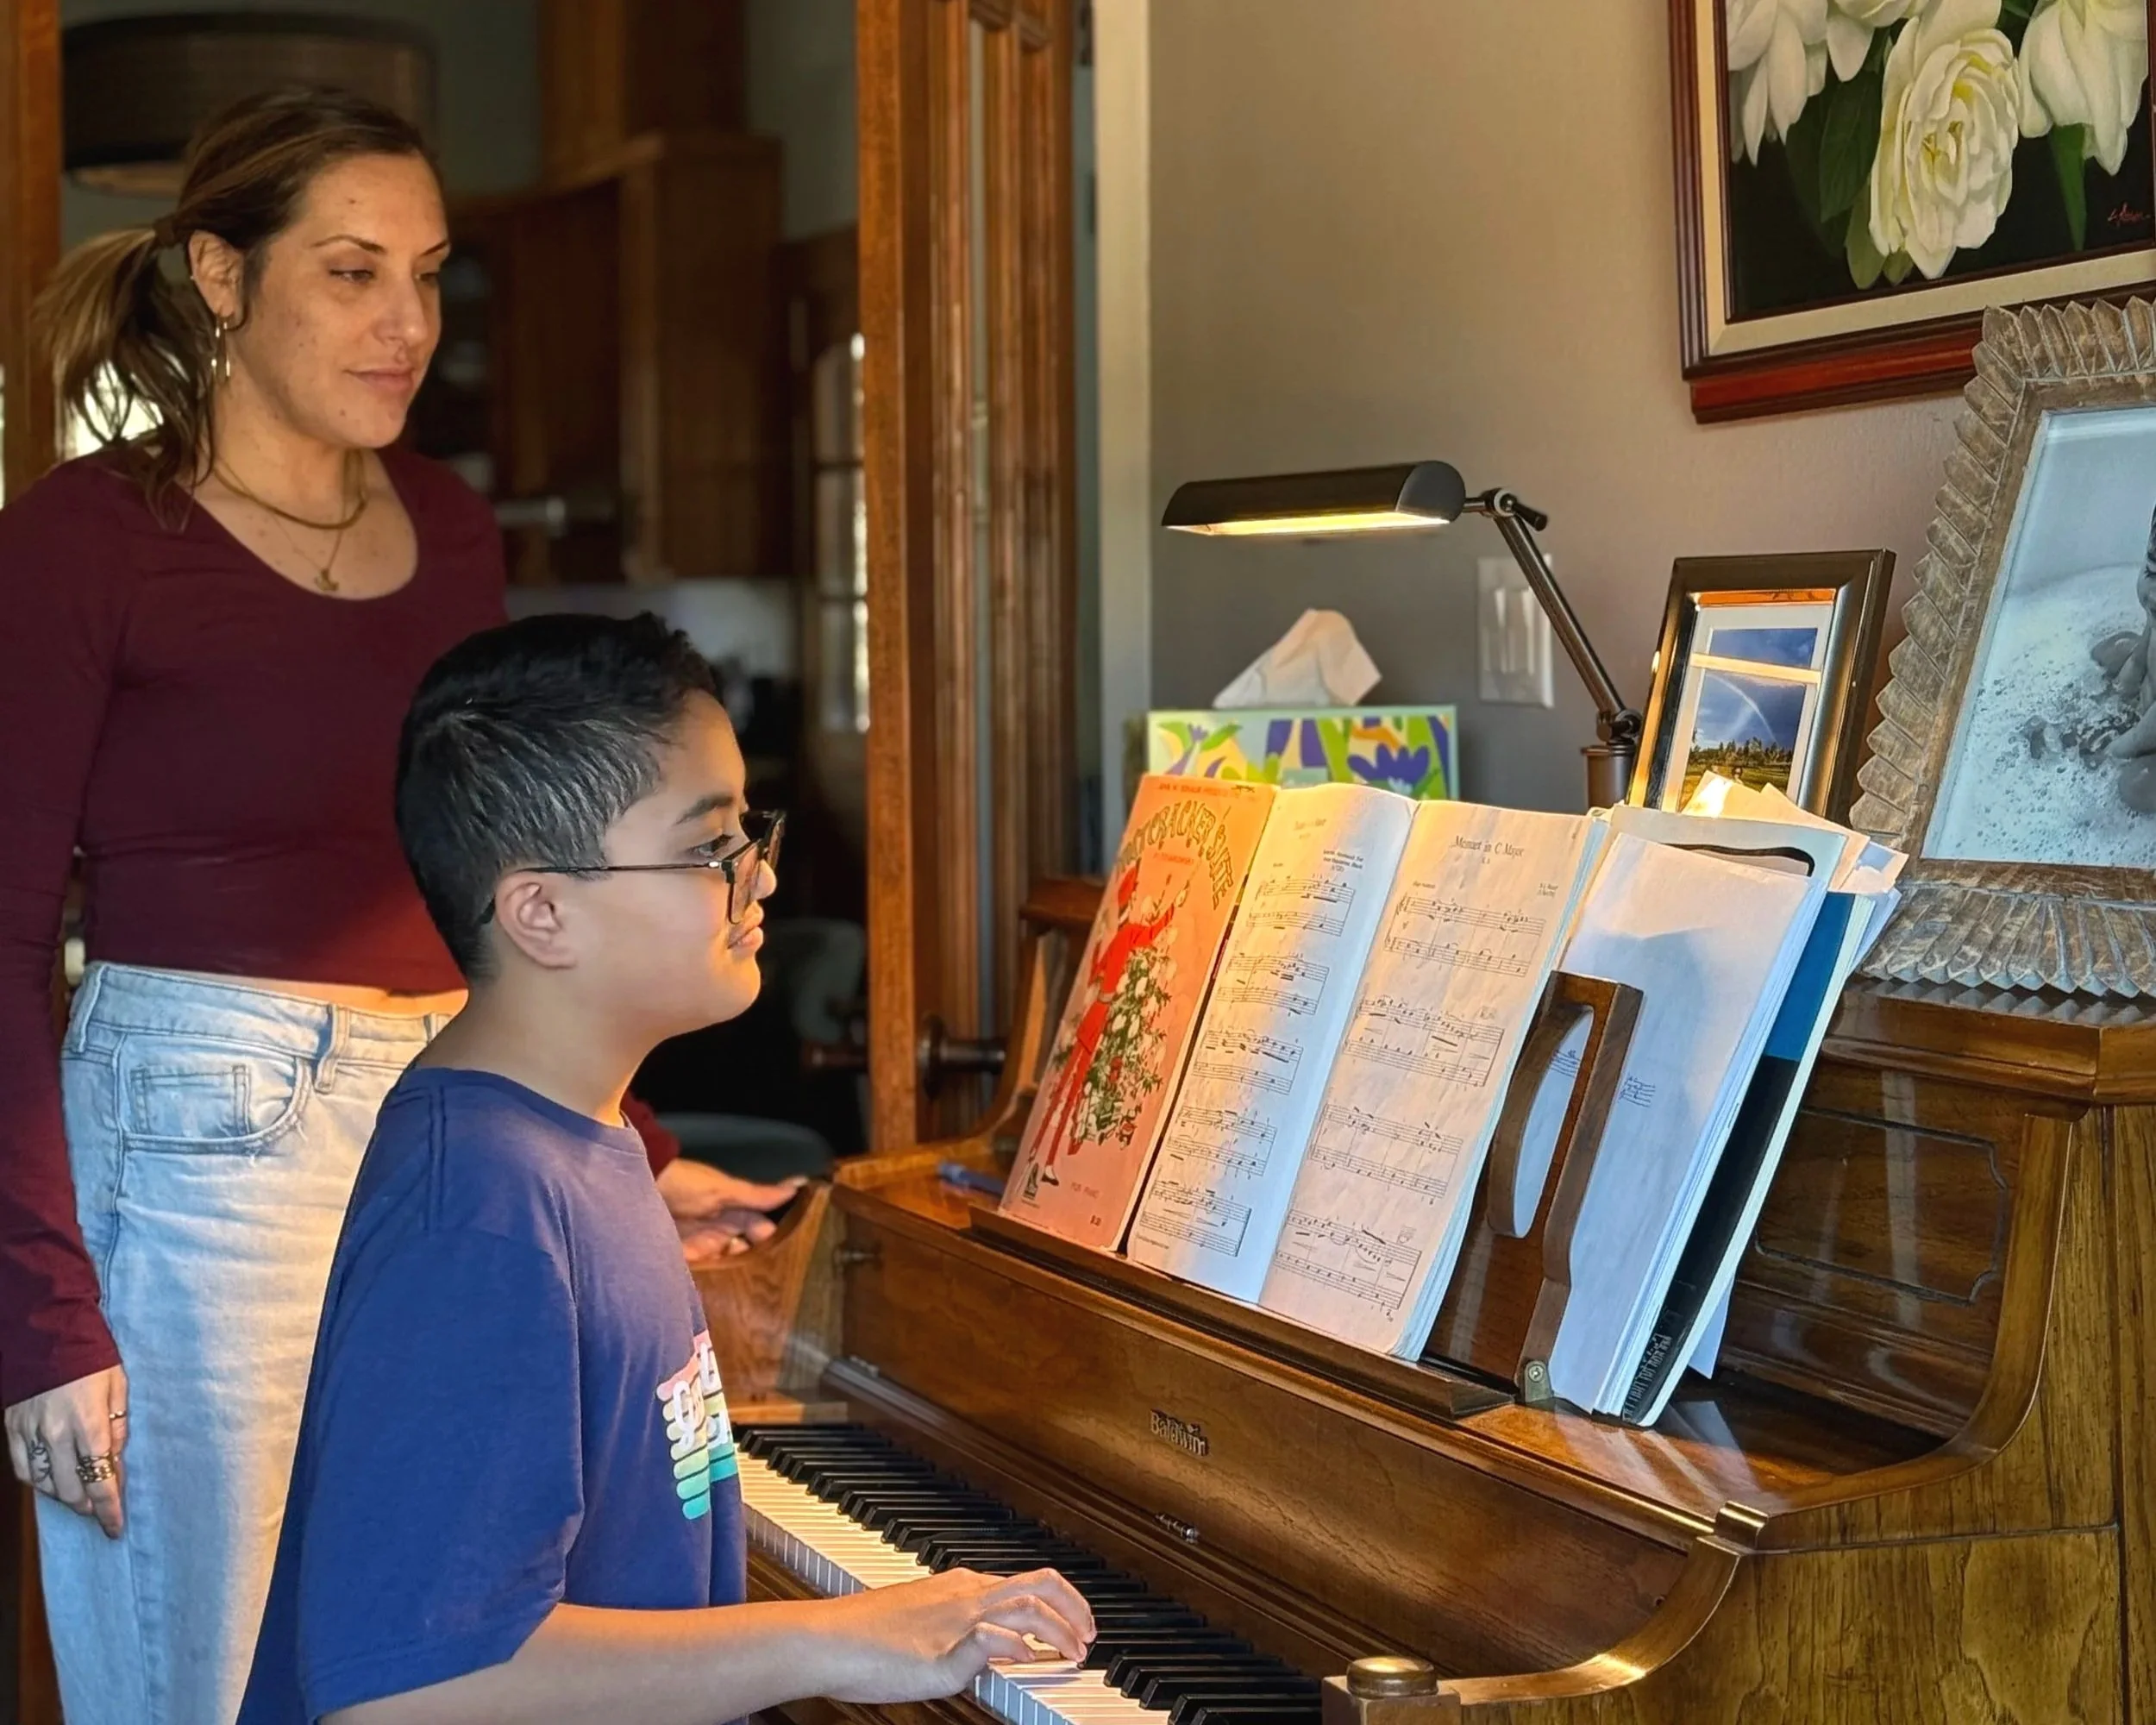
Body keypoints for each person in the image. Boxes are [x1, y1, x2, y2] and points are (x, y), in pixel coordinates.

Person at [0, 87, 788, 1725]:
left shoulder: (444, 525)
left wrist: (621, 1153)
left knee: (443, 1649)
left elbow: (491, 888)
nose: (408, 324)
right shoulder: (83, 542)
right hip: (197, 1141)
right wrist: (39, 1311)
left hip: (452, 1124)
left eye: (430, 276)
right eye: (353, 273)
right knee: (211, 1687)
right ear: (222, 276)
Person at [237, 612, 1094, 1723]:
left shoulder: (575, 1143)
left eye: (750, 834)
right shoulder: (483, 1212)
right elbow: (414, 1687)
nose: (761, 882)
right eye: (707, 851)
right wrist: (841, 1635)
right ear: (541, 912)